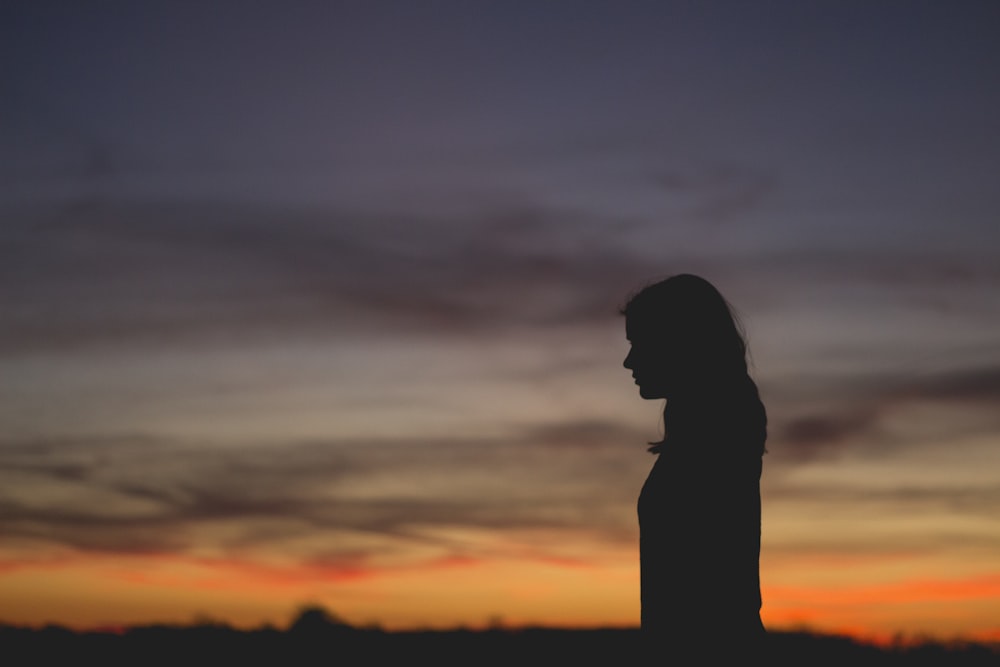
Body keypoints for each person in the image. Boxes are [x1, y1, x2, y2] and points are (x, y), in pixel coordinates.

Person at [622, 274, 767, 660]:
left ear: (677, 342)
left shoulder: (722, 426)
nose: (629, 361)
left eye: (639, 344)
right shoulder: (704, 428)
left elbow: (703, 585)